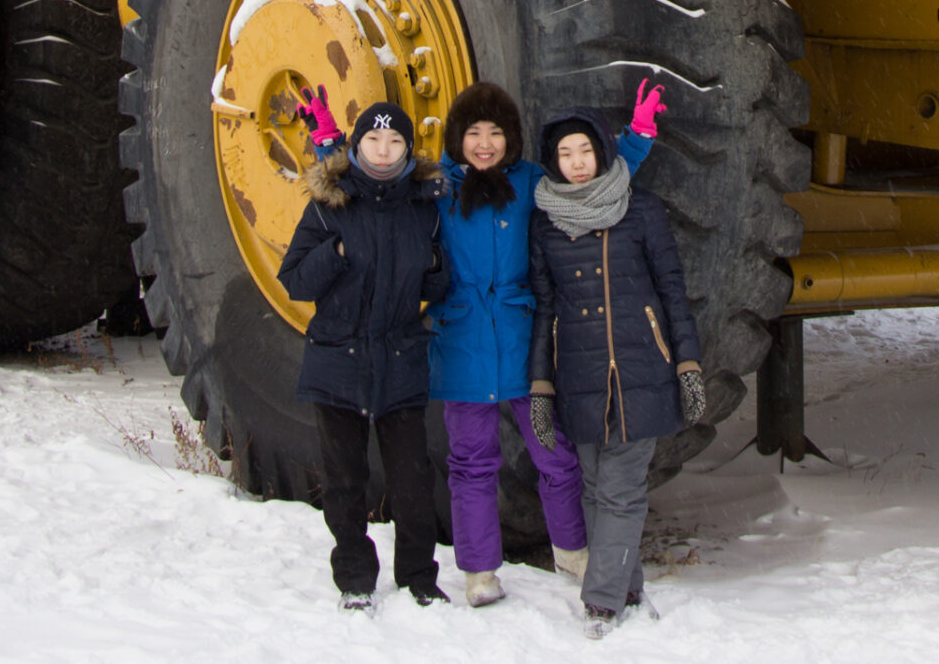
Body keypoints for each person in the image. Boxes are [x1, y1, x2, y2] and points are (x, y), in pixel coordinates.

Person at [433, 79, 664, 608]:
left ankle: (571, 550)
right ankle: (479, 571)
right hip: (463, 345)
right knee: (471, 463)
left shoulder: (532, 183)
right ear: (457, 139)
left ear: (510, 138)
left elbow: (591, 182)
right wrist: (330, 149)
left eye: (495, 132)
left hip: (524, 344)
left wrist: (638, 138)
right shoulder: (439, 190)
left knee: (556, 456)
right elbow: (378, 188)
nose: (485, 143)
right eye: (473, 133)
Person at [526, 107, 705, 637]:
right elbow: (545, 308)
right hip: (579, 375)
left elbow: (672, 289)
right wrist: (541, 385)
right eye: (565, 154)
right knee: (593, 486)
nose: (577, 163)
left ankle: (602, 601)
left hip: (640, 368)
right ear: (552, 163)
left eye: (584, 151)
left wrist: (689, 363)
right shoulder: (546, 223)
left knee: (623, 489)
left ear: (602, 152)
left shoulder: (640, 209)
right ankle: (627, 586)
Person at [278, 96, 450, 610]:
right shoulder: (329, 205)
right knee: (345, 480)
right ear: (357, 146)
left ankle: (420, 577)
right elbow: (294, 281)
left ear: (408, 148)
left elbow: (439, 281)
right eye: (373, 140)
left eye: (395, 141)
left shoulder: (423, 207)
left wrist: (435, 267)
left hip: (399, 358)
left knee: (413, 479)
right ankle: (354, 577)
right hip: (339, 360)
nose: (383, 151)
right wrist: (334, 255)